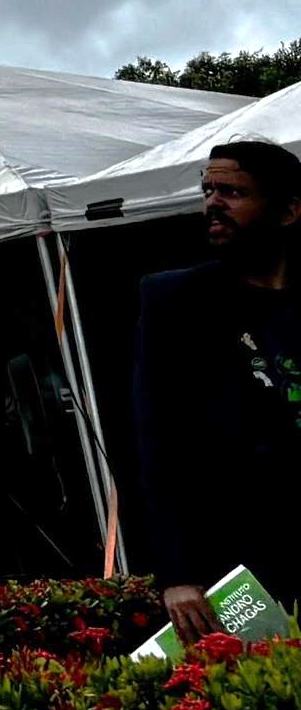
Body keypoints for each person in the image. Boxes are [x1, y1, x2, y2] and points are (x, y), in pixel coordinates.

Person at [128, 138, 301, 641]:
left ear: (288, 211)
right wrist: (177, 573)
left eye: (233, 192)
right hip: (242, 571)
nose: (213, 203)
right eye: (208, 190)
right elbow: (154, 442)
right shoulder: (176, 302)